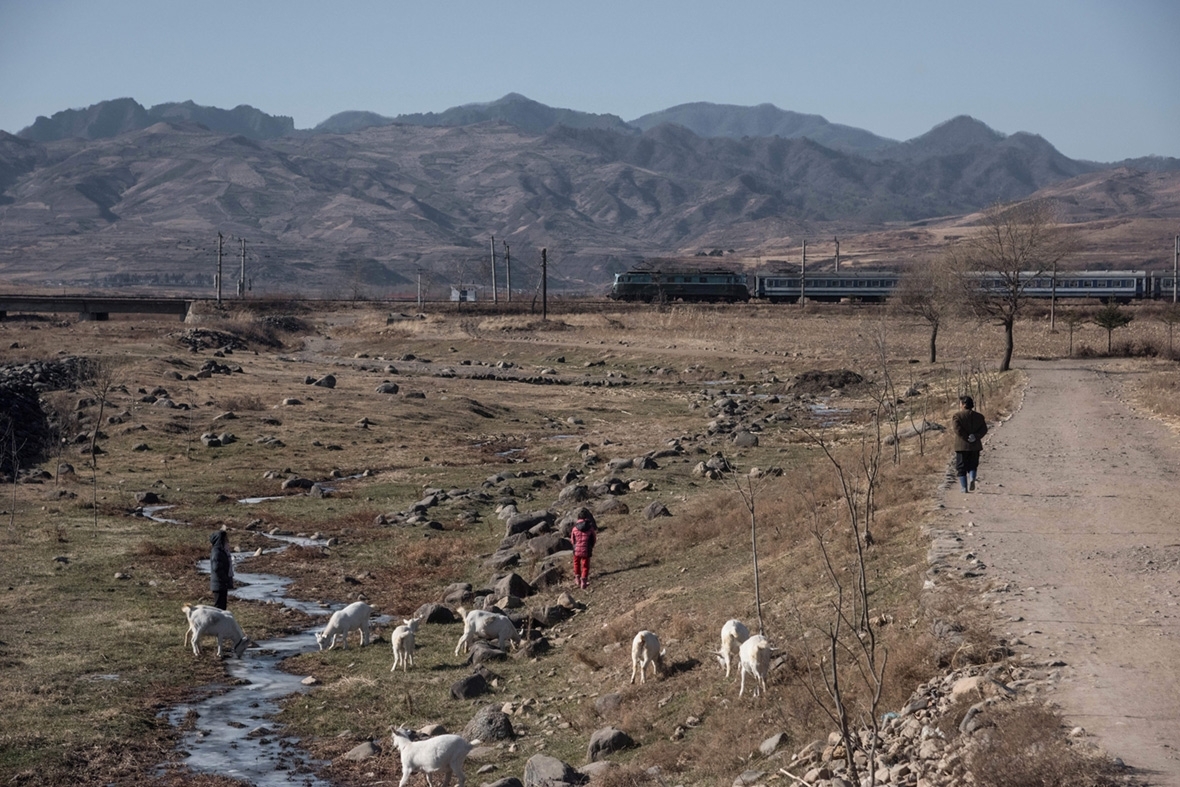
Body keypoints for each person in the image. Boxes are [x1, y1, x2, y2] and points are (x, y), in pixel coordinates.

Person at [952, 395, 988, 493]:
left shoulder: (957, 416)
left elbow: (957, 430)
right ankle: (972, 478)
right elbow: (984, 429)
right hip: (975, 445)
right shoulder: (979, 417)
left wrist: (966, 437)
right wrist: (975, 436)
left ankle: (964, 488)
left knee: (961, 467)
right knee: (973, 465)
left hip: (961, 446)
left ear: (963, 404)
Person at [570, 512, 597, 589]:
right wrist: (591, 546)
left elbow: (572, 540)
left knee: (576, 563)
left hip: (577, 549)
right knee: (585, 565)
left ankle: (577, 579)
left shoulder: (574, 528)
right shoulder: (590, 528)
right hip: (586, 549)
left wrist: (575, 546)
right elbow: (593, 539)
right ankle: (584, 582)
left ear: (578, 519)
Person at [209, 527, 234, 610]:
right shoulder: (217, 552)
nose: (227, 541)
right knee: (219, 606)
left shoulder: (221, 550)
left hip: (221, 584)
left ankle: (219, 621)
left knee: (222, 606)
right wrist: (225, 578)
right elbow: (216, 568)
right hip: (219, 584)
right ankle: (216, 622)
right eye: (225, 539)